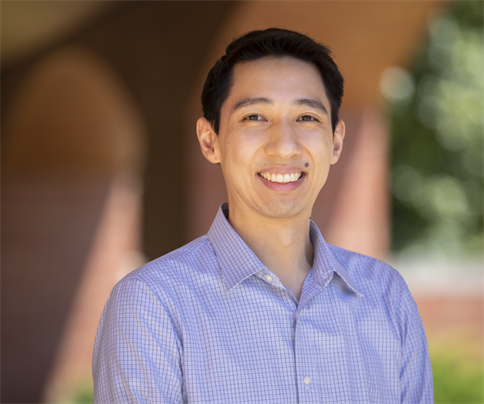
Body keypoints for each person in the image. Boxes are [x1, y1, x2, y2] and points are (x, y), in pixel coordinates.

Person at [93, 28, 433, 403]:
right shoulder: (152, 303)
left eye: (306, 117)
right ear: (210, 141)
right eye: (255, 117)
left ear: (335, 142)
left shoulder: (386, 295)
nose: (284, 145)